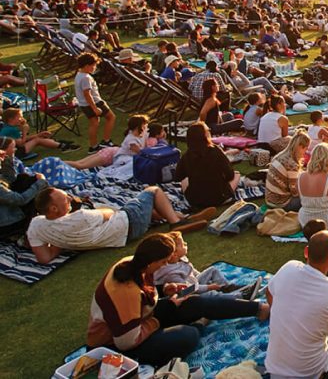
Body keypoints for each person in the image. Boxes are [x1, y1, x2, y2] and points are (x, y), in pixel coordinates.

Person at [87, 234, 267, 367]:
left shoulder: (134, 264)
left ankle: (258, 308)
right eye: (164, 262)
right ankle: (199, 324)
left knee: (195, 301)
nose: (165, 266)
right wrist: (160, 317)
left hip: (142, 320)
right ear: (151, 262)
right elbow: (126, 341)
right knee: (188, 335)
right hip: (118, 346)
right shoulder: (126, 291)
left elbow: (144, 295)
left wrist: (165, 289)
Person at [27, 186, 206, 264]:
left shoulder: (35, 226)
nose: (68, 198)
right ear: (53, 208)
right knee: (152, 192)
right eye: (64, 198)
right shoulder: (80, 217)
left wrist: (60, 239)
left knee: (146, 209)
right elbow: (109, 213)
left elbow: (44, 258)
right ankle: (176, 222)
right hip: (127, 224)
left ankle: (181, 216)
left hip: (119, 236)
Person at [265, 230, 328, 379]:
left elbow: (269, 293)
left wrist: (287, 315)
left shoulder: (289, 267)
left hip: (274, 369)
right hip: (311, 373)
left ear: (306, 251)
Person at [173, 123, 240, 210]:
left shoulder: (187, 156)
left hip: (195, 201)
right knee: (237, 174)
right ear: (204, 135)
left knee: (185, 180)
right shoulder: (216, 151)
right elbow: (230, 175)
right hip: (219, 198)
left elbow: (178, 177)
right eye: (208, 130)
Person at [0, 136, 47, 234]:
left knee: (23, 179)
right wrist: (40, 183)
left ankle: (59, 204)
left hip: (9, 213)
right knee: (34, 188)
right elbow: (21, 200)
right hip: (7, 224)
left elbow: (11, 179)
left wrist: (9, 157)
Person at [74, 53, 116, 153]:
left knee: (94, 123)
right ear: (87, 65)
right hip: (95, 103)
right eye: (94, 65)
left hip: (84, 104)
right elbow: (87, 94)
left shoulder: (79, 75)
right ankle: (106, 141)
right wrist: (95, 108)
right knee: (111, 117)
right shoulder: (86, 78)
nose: (95, 67)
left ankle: (93, 146)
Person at [265, 131, 311, 211]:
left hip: (269, 198)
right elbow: (295, 192)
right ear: (300, 147)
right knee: (312, 198)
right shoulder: (292, 164)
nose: (306, 151)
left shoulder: (280, 156)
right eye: (306, 148)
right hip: (280, 203)